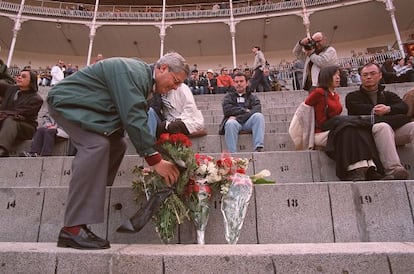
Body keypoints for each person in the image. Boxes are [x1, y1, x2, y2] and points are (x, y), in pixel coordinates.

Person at [47, 52, 189, 250]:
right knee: (96, 146)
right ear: (162, 68)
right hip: (67, 102)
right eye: (175, 81)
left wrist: (157, 155)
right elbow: (132, 117)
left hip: (89, 109)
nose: (175, 87)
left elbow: (135, 119)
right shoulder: (134, 73)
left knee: (117, 144)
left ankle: (88, 200)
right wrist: (154, 160)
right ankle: (71, 230)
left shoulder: (144, 82)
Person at [304, 65, 384, 181]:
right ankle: (350, 170)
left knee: (359, 129)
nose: (338, 77)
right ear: (326, 77)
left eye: (338, 75)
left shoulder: (335, 95)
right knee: (348, 129)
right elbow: (305, 107)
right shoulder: (319, 92)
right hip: (321, 131)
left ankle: (370, 168)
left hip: (335, 128)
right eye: (335, 75)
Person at [346, 62, 414, 180]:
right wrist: (393, 117)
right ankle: (394, 170)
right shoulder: (352, 97)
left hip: (392, 133)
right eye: (365, 75)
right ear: (361, 77)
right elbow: (363, 117)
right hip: (367, 136)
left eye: (372, 74)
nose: (368, 77)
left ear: (380, 75)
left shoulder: (388, 95)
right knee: (382, 126)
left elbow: (404, 109)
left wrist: (388, 109)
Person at [0, 69, 43, 157]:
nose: (19, 77)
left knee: (10, 120)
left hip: (26, 127)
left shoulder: (36, 99)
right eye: (19, 75)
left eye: (23, 76)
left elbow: (17, 113)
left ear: (31, 81)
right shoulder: (11, 89)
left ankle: (2, 150)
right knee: (8, 120)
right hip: (4, 120)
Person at [219, 72, 265, 153]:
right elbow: (227, 110)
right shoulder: (228, 97)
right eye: (236, 82)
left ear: (246, 83)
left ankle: (258, 148)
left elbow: (257, 109)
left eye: (241, 81)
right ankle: (232, 154)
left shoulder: (252, 97)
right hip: (235, 123)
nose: (239, 84)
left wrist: (238, 117)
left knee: (258, 116)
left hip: (247, 122)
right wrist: (244, 110)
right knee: (230, 123)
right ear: (233, 83)